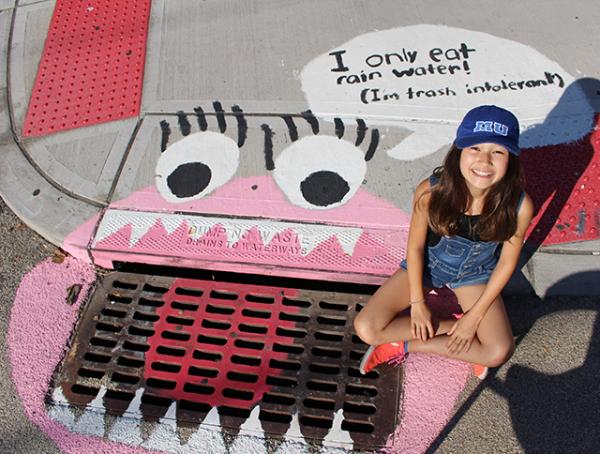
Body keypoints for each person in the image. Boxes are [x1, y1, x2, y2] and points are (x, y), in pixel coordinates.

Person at [354, 105, 534, 379]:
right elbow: (414, 249)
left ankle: (402, 345)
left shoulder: (519, 205)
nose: (485, 161)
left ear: (511, 159)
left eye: (498, 152)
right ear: (458, 150)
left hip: (475, 275)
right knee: (367, 328)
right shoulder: (431, 191)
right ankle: (456, 330)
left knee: (498, 350)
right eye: (475, 148)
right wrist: (417, 304)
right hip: (428, 266)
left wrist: (474, 318)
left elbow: (506, 264)